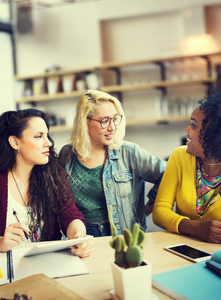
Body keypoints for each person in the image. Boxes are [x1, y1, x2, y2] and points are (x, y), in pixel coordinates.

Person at [0, 108, 92, 257]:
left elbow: (70, 214)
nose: (49, 143)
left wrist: (79, 236)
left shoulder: (53, 171)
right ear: (15, 142)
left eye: (47, 135)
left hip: (46, 262)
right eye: (39, 136)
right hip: (4, 264)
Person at [59, 90, 166, 237]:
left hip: (122, 236)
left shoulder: (130, 153)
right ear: (85, 122)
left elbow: (167, 173)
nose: (112, 127)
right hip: (81, 236)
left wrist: (147, 208)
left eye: (115, 119)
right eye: (105, 121)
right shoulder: (67, 154)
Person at [153, 90, 221, 244]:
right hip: (183, 250)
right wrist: (196, 228)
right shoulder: (179, 156)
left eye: (193, 125)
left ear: (214, 135)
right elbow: (160, 211)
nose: (187, 131)